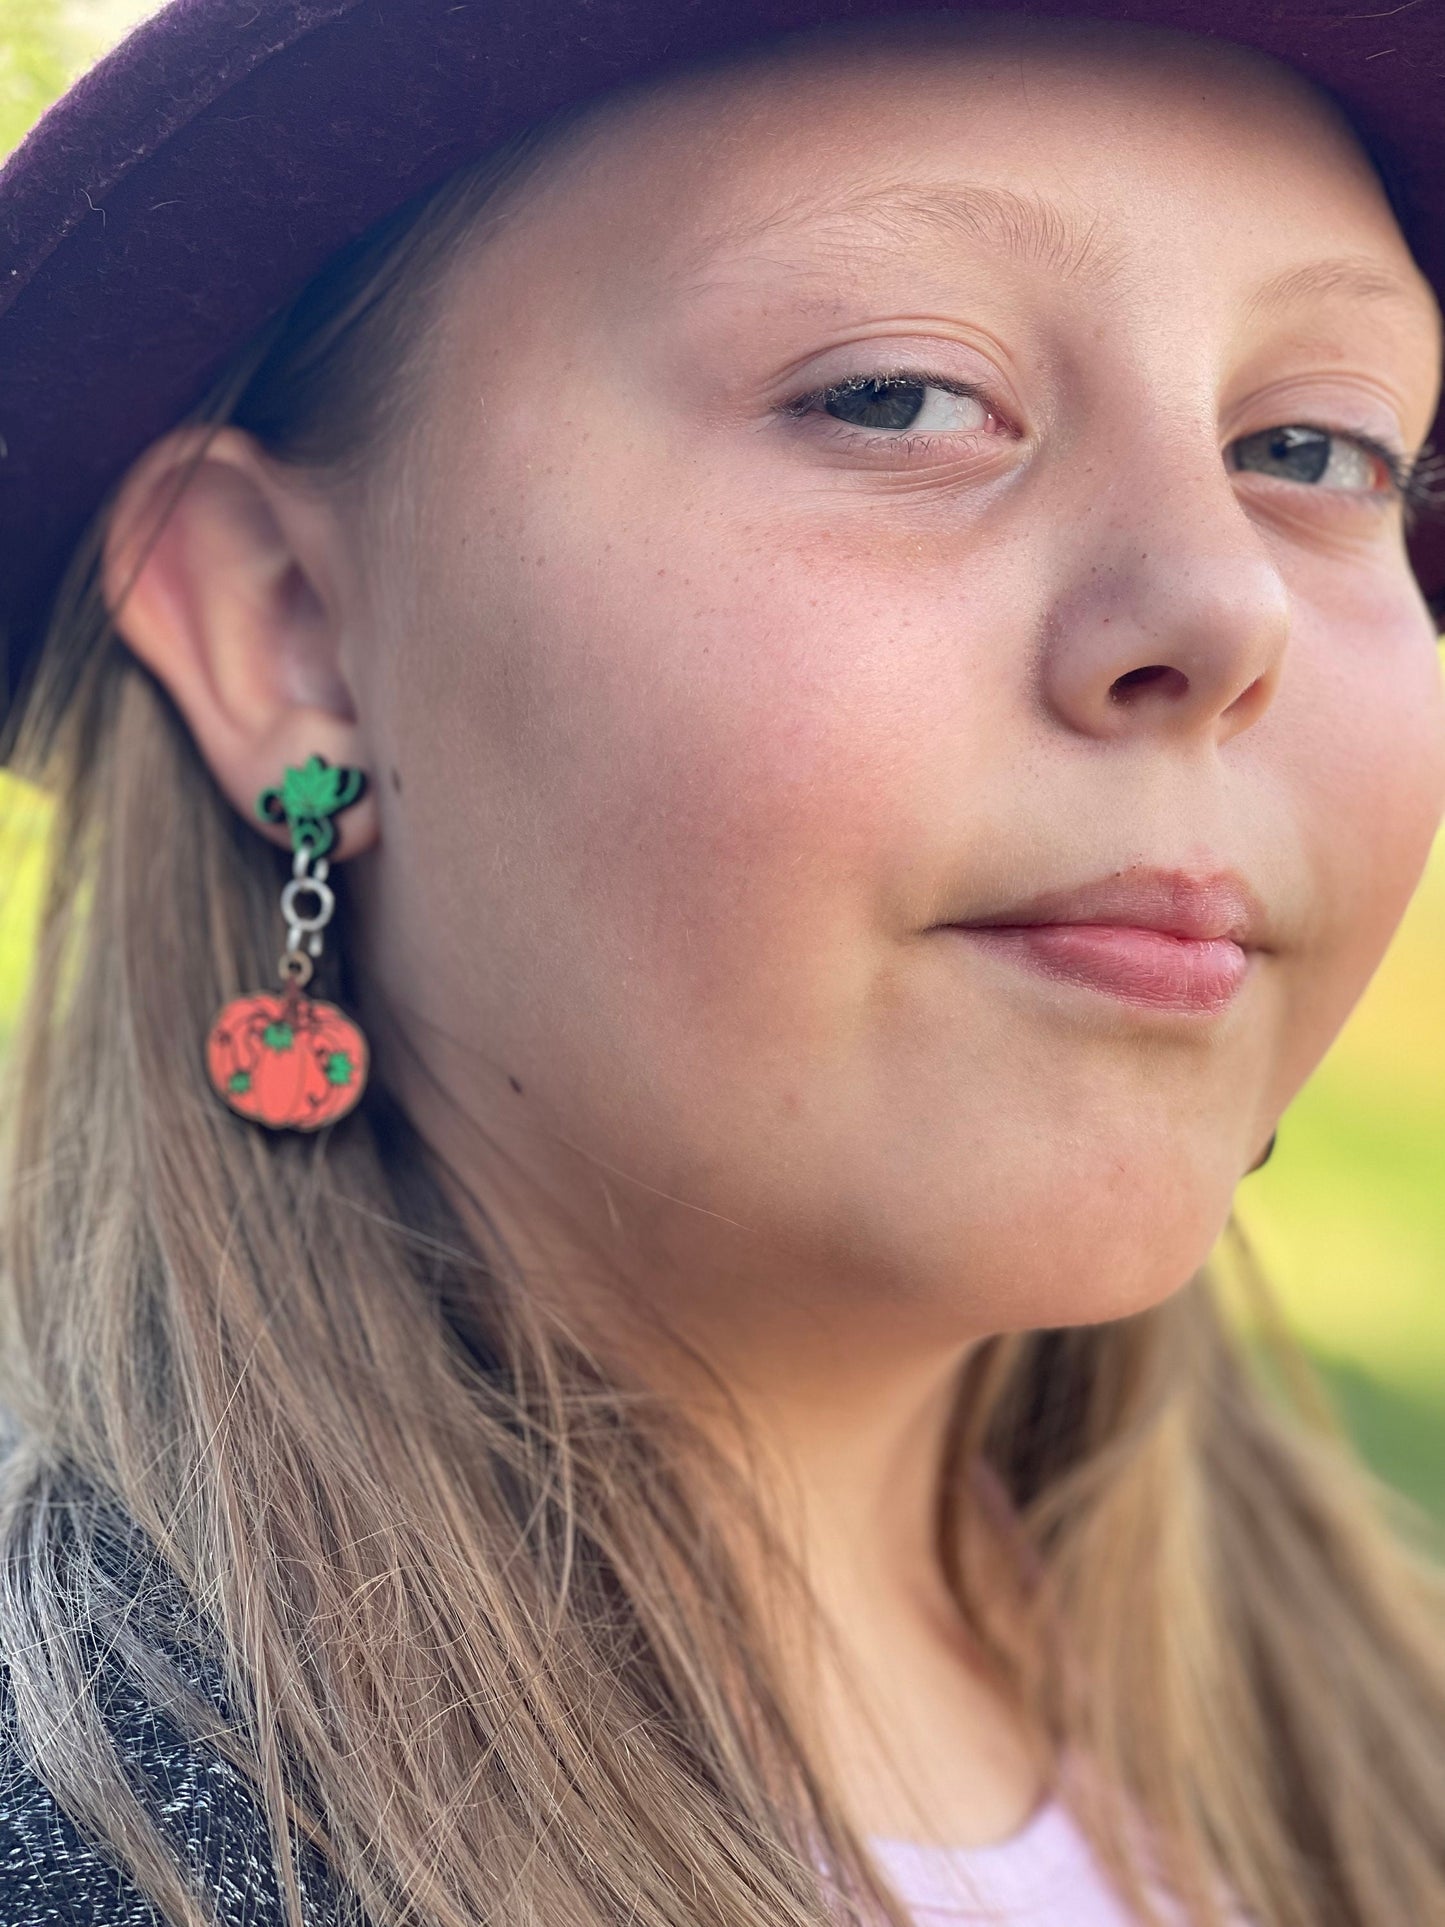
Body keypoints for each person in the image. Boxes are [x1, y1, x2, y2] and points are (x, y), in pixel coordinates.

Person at [0, 2, 1442, 1923]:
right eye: (898, 397)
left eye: (1313, 445)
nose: (1218, 600)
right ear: (291, 636)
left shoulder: (1388, 1737)